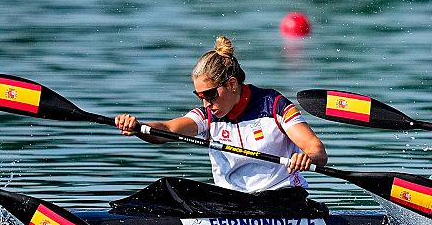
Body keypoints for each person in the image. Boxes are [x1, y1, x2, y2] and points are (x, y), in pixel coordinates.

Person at [110, 36, 328, 215]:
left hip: (281, 201)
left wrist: (305, 157)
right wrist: (138, 127)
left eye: (210, 94)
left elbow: (316, 149)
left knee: (172, 190)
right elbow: (167, 130)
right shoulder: (209, 115)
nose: (206, 103)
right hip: (233, 204)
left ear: (232, 84)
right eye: (200, 96)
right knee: (168, 188)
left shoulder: (273, 105)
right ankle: (118, 217)